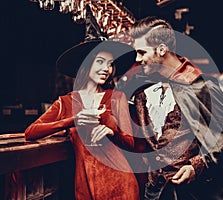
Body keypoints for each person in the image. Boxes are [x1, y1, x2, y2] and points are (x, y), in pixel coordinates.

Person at [24, 6, 139, 200]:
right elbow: (31, 132)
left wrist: (113, 132)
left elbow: (130, 143)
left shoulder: (116, 97)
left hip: (121, 183)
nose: (107, 69)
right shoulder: (66, 102)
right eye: (100, 62)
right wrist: (73, 120)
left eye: (110, 64)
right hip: (85, 181)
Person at [122, 16, 223, 200]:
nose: (138, 59)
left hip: (190, 192)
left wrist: (196, 166)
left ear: (161, 49)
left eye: (142, 52)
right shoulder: (143, 92)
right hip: (152, 192)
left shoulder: (200, 86)